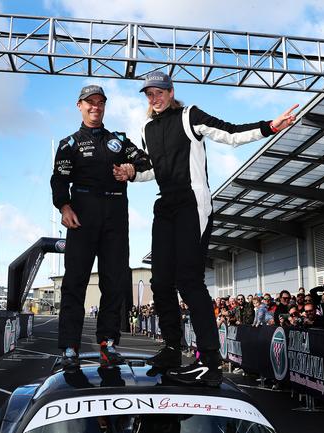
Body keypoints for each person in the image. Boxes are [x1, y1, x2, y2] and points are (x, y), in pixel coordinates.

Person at [115, 71, 298, 385]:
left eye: (158, 92)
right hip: (165, 204)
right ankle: (172, 348)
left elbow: (230, 133)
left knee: (188, 280)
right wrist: (131, 171)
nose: (154, 98)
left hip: (193, 202)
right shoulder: (147, 127)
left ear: (171, 92)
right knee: (159, 282)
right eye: (149, 94)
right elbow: (152, 171)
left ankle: (210, 361)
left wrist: (269, 126)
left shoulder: (190, 116)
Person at [51, 85, 151, 368]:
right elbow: (59, 180)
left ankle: (108, 342)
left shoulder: (118, 139)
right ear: (79, 105)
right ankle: (69, 347)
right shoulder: (68, 143)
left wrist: (132, 170)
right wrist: (64, 206)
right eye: (90, 102)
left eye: (100, 102)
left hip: (116, 215)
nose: (96, 107)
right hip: (82, 215)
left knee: (115, 280)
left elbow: (144, 160)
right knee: (75, 282)